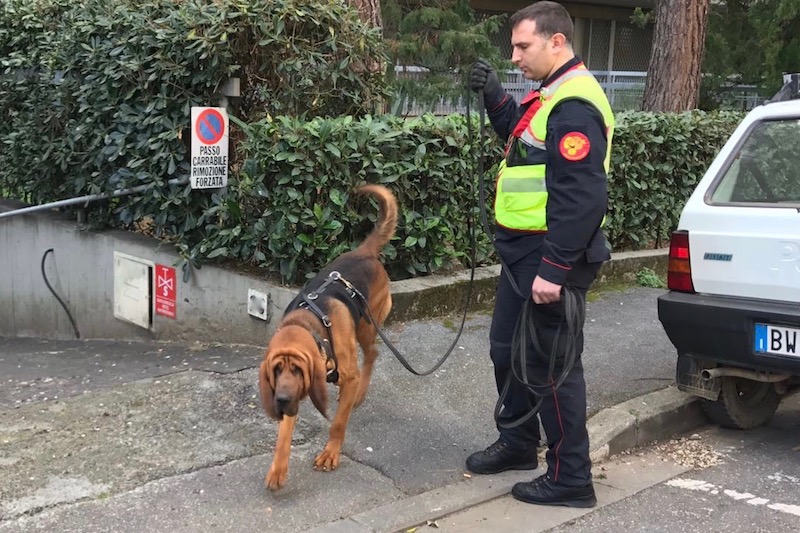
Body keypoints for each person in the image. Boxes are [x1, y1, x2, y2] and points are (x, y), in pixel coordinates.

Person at [466, 1, 614, 508]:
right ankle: (518, 442)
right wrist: (494, 95)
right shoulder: (551, 93)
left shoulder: (574, 103)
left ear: (556, 41)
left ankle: (571, 478)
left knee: (552, 367)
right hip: (523, 254)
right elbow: (522, 141)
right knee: (506, 350)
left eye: (522, 46)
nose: (514, 56)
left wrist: (553, 269)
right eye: (512, 47)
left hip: (550, 257)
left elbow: (583, 197)